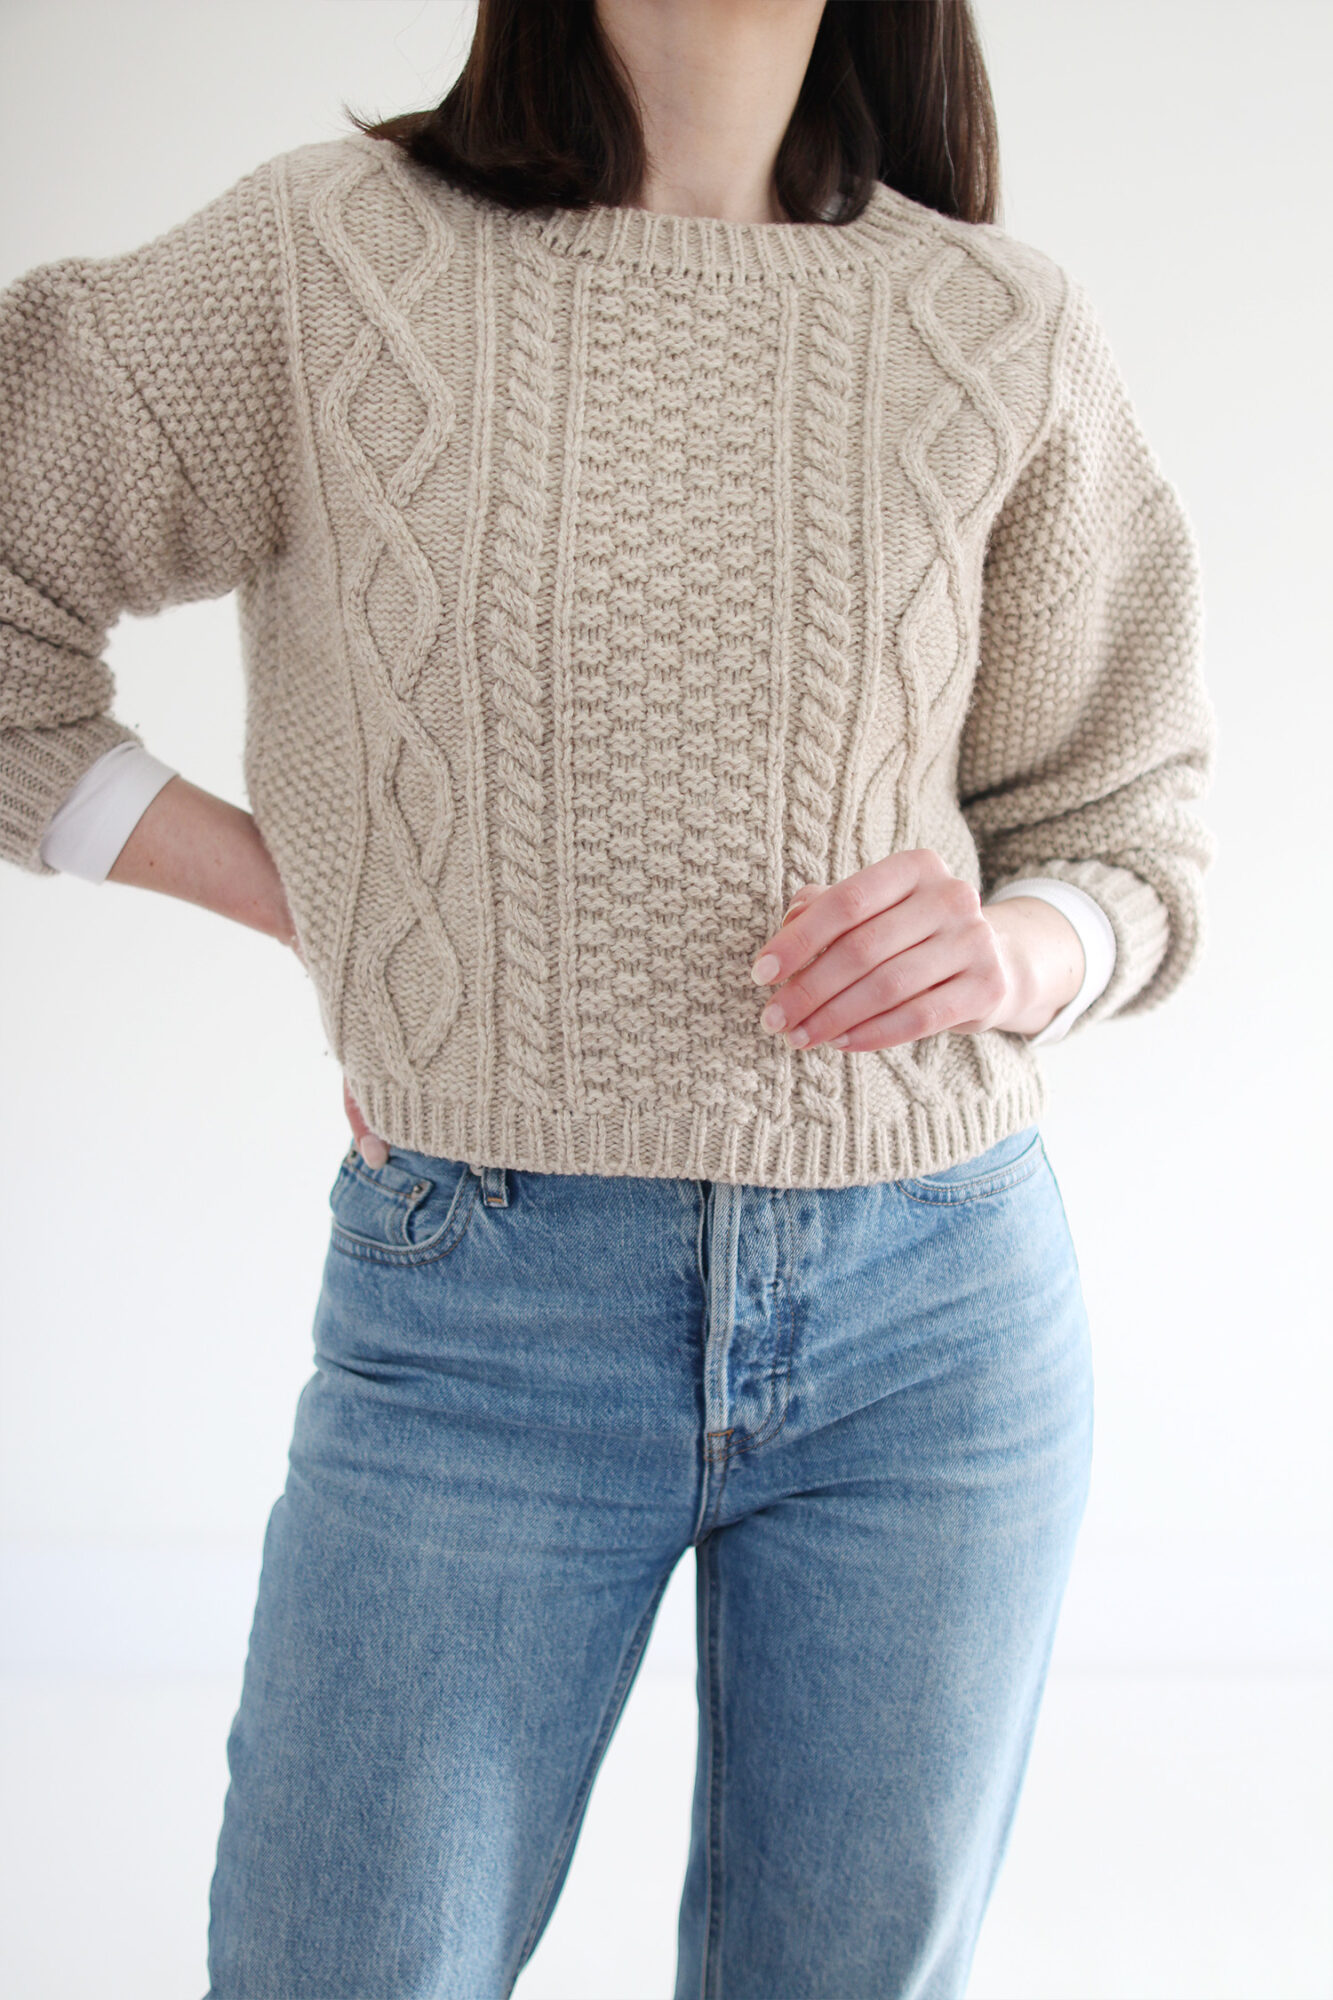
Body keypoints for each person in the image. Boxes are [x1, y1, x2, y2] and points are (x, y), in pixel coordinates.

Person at [0, 0, 1215, 1993]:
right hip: (483, 1305)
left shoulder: (994, 323)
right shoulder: (325, 261)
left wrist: (1019, 949)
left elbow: (1128, 810)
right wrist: (318, 903)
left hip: (939, 1312)